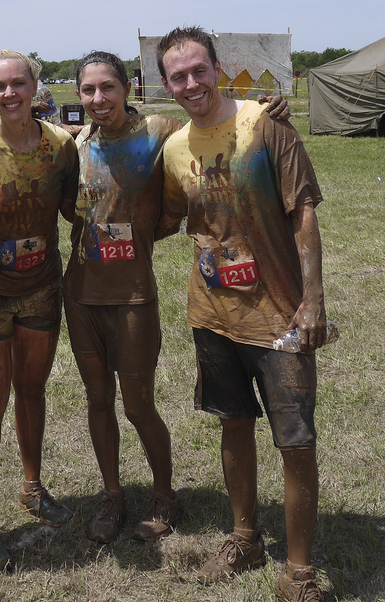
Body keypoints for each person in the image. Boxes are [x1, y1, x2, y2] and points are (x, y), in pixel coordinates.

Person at [69, 51, 290, 545]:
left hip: (132, 293)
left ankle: (164, 494)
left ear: (127, 88)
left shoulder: (160, 130)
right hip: (80, 292)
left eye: (108, 87)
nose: (98, 99)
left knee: (137, 404)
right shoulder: (76, 141)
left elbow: (209, 121)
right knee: (97, 399)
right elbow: (70, 206)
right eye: (88, 90)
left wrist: (265, 108)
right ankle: (112, 495)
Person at [155, 26, 327, 601]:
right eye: (177, 76)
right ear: (165, 84)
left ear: (218, 67)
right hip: (213, 312)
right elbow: (173, 217)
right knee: (233, 422)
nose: (190, 83)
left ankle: (298, 571)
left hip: (279, 312)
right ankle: (245, 538)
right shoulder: (176, 147)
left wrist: (314, 300)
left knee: (296, 438)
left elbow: (303, 212)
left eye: (198, 70)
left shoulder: (266, 124)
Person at [0, 50, 77, 572]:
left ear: (35, 86)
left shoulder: (61, 146)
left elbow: (79, 207)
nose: (9, 94)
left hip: (41, 287)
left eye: (18, 84)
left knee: (32, 390)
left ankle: (32, 486)